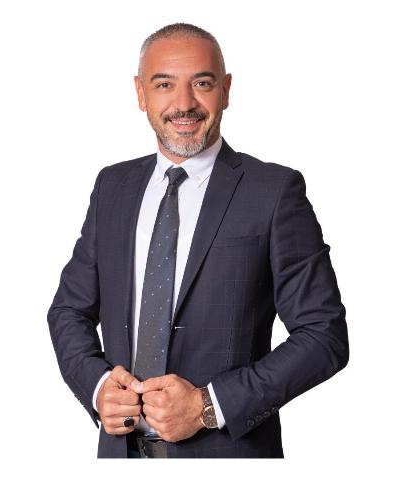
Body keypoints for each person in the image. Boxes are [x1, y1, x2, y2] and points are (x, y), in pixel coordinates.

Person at [47, 22, 349, 459]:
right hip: (120, 455)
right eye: (164, 84)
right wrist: (96, 387)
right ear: (141, 93)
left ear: (225, 91)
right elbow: (68, 310)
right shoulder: (113, 187)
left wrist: (210, 406)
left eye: (202, 83)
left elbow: (324, 335)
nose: (184, 103)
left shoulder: (273, 192)